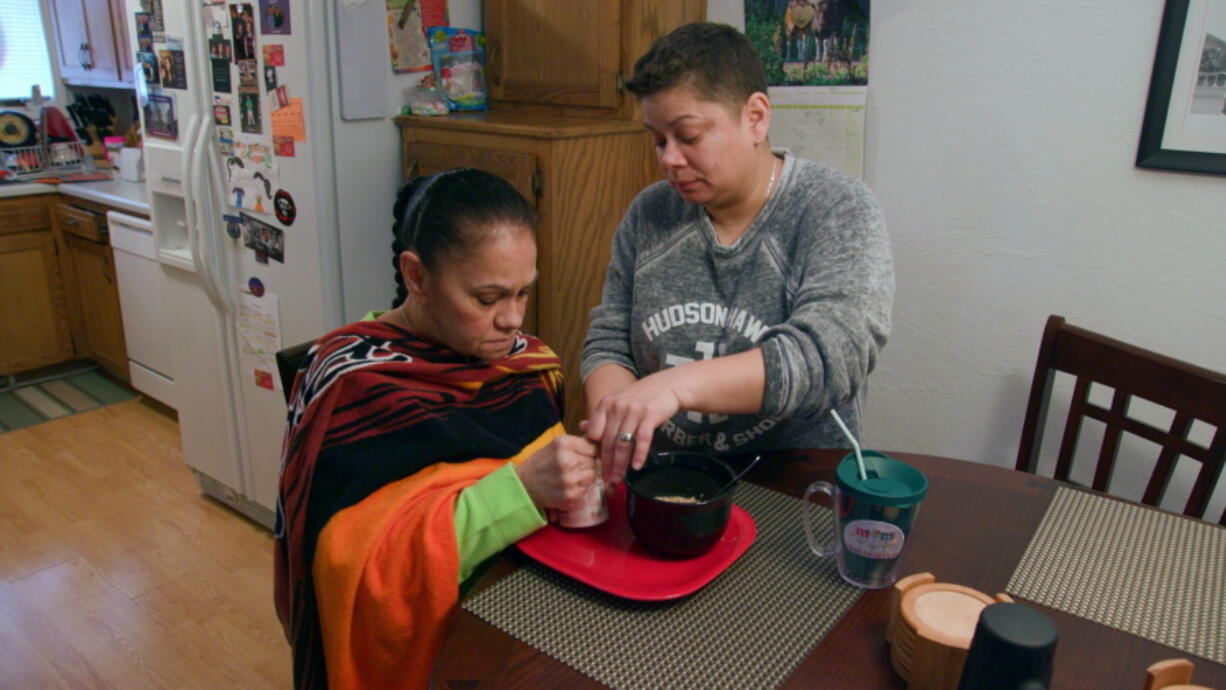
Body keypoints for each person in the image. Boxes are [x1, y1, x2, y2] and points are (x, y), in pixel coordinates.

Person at [275, 169, 599, 690]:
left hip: (528, 616)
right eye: (487, 298)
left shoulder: (531, 365)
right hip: (438, 653)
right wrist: (519, 493)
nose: (513, 319)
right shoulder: (350, 386)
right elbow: (348, 570)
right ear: (417, 276)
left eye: (522, 293)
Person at [581, 23, 893, 485]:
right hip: (669, 479)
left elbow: (832, 356)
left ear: (756, 117)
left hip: (795, 486)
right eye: (657, 140)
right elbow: (610, 341)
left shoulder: (836, 207)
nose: (668, 159)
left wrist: (675, 387)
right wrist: (619, 428)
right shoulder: (650, 212)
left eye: (688, 136)